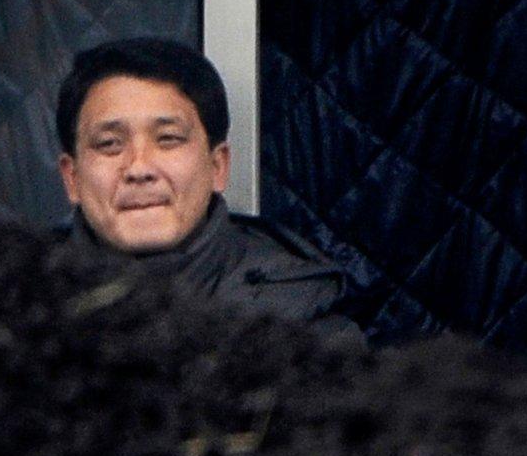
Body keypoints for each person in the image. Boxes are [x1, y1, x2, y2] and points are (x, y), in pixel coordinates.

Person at [51, 37, 362, 342]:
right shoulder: (19, 318)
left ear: (218, 166)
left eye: (168, 139)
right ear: (72, 177)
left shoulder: (302, 324)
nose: (139, 168)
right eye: (109, 144)